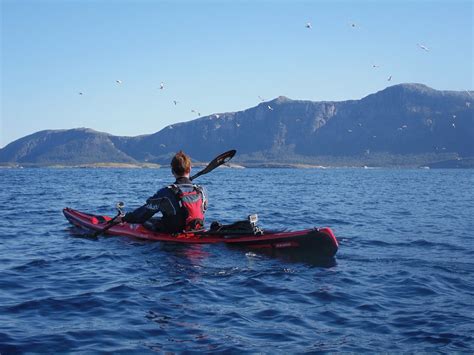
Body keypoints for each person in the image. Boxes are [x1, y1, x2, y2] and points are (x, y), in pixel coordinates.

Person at [116, 151, 208, 233]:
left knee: (147, 221)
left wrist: (124, 218)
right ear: (190, 169)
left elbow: (144, 213)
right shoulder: (201, 191)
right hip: (196, 229)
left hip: (173, 234)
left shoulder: (166, 193)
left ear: (172, 171)